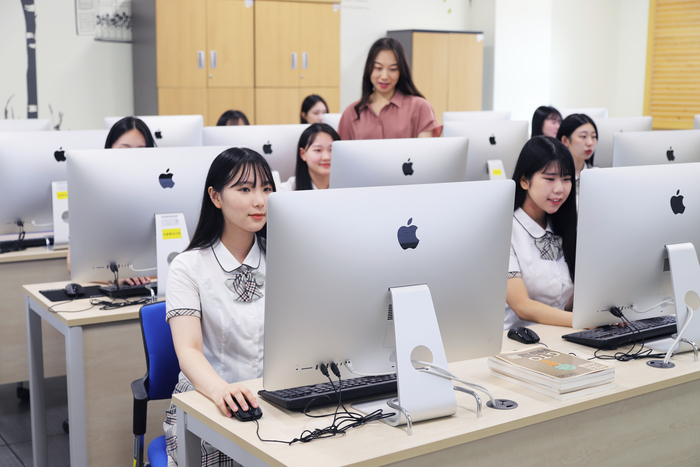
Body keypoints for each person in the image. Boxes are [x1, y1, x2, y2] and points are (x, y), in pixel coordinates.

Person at [163, 147, 274, 466]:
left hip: (272, 402)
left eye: (266, 188)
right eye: (245, 189)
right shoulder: (187, 267)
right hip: (208, 400)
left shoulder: (282, 254)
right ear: (215, 197)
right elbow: (189, 352)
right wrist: (220, 390)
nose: (260, 200)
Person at [66, 116, 155, 285]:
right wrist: (115, 277)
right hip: (120, 291)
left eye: (141, 149)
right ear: (110, 149)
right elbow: (74, 265)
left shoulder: (163, 191)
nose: (133, 156)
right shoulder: (92, 193)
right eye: (125, 148)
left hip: (163, 289)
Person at [505, 136, 577, 330]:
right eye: (550, 179)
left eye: (567, 179)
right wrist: (583, 322)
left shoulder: (564, 226)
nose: (560, 189)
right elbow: (523, 307)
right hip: (513, 342)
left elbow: (563, 301)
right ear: (524, 181)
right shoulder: (505, 230)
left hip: (559, 337)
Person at [337, 37, 441, 140]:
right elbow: (341, 154)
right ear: (369, 69)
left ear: (401, 71)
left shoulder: (420, 107)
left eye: (393, 69)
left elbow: (425, 153)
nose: (384, 76)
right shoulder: (352, 112)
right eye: (378, 68)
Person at [277, 123, 340, 191]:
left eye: (332, 150)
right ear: (303, 154)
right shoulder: (287, 190)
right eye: (318, 150)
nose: (326, 157)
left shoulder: (350, 186)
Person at [557, 113, 598, 199]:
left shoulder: (598, 175)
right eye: (583, 136)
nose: (590, 143)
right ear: (565, 141)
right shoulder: (554, 177)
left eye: (593, 136)